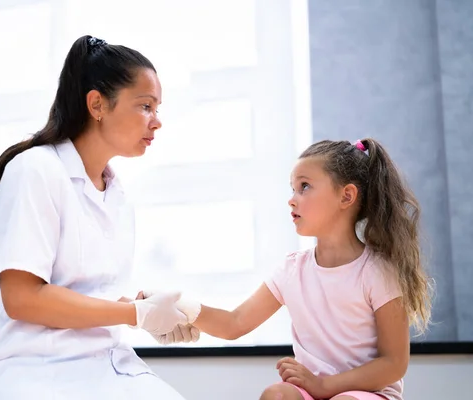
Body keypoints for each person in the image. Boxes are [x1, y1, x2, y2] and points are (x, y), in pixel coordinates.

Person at [0, 35, 197, 400]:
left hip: (103, 366)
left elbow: (88, 297)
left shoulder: (116, 196)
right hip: (29, 370)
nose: (157, 122)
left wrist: (149, 312)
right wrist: (135, 314)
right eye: (146, 106)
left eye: (157, 108)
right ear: (97, 104)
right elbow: (23, 299)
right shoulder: (35, 170)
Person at [169, 138, 433, 400]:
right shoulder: (291, 270)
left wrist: (325, 386)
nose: (292, 200)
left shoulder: (377, 272)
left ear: (347, 196)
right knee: (277, 395)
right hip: (312, 391)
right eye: (292, 189)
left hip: (369, 394)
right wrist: (180, 307)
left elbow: (394, 363)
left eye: (304, 187)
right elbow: (234, 323)